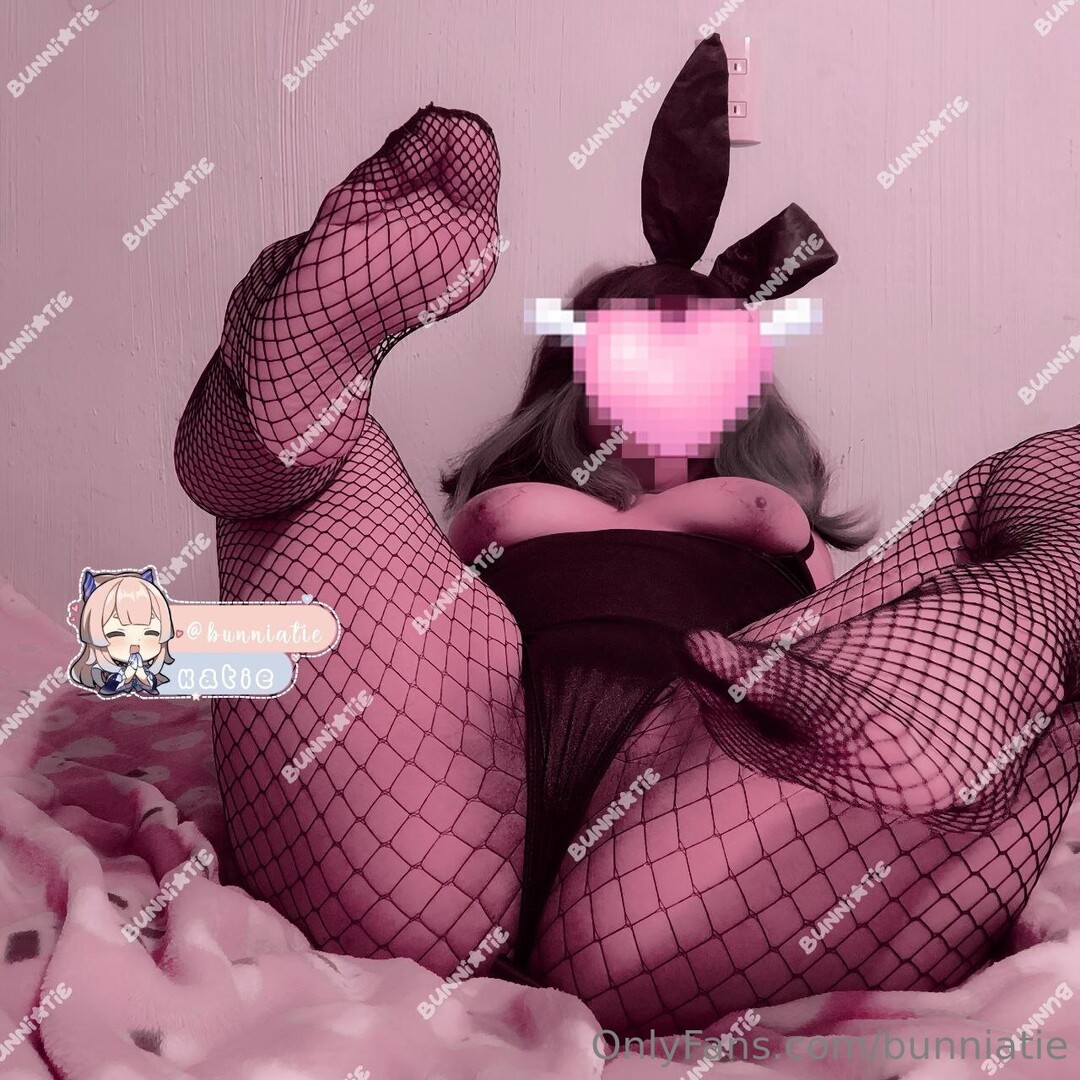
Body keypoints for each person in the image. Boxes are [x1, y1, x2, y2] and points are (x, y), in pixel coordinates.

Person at [175, 38, 1080, 1037]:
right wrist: (202, 645)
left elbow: (832, 630)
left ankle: (1026, 619)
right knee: (319, 484)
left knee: (1046, 481)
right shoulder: (503, 503)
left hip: (697, 829)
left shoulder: (770, 513)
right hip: (445, 792)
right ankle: (295, 367)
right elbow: (355, 628)